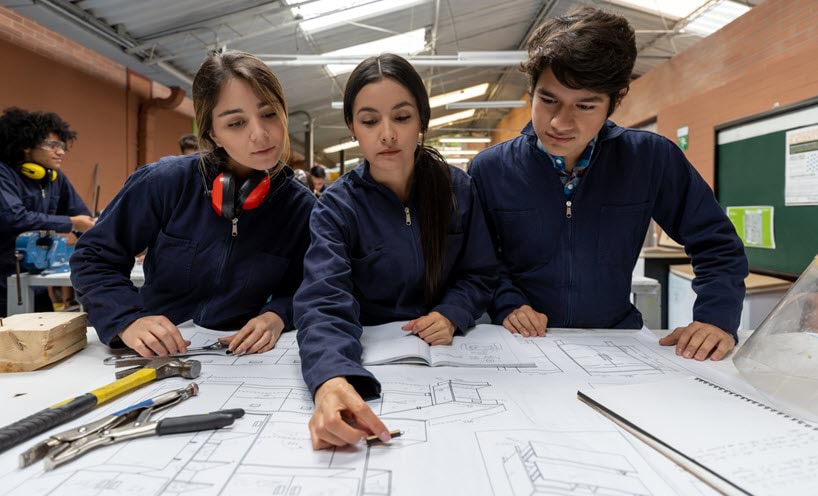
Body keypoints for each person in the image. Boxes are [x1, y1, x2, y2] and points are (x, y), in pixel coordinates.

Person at [468, 7, 748, 361]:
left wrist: (715, 318)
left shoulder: (650, 159)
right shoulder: (489, 169)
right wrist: (508, 303)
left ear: (613, 102)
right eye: (548, 99)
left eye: (585, 106)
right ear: (531, 91)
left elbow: (717, 244)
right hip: (519, 344)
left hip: (615, 341)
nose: (559, 122)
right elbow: (478, 259)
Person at [294, 53, 498, 450]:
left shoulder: (459, 190)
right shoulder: (336, 207)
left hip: (452, 358)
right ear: (353, 128)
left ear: (422, 120)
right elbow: (324, 299)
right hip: (372, 359)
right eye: (370, 121)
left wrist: (452, 313)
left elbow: (481, 272)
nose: (387, 134)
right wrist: (332, 376)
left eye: (402, 118)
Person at [70, 50, 315, 356]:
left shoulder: (300, 208)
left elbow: (308, 285)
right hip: (156, 353)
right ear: (213, 133)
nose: (260, 134)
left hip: (240, 354)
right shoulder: (163, 183)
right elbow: (93, 258)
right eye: (236, 123)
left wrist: (277, 315)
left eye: (269, 114)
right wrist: (127, 319)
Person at [0, 107, 95, 317]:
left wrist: (101, 238)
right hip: (4, 279)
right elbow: (13, 217)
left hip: (37, 278)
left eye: (62, 146)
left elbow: (82, 217)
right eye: (52, 145)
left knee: (45, 337)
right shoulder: (3, 174)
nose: (60, 151)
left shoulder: (55, 178)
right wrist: (72, 223)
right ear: (26, 145)